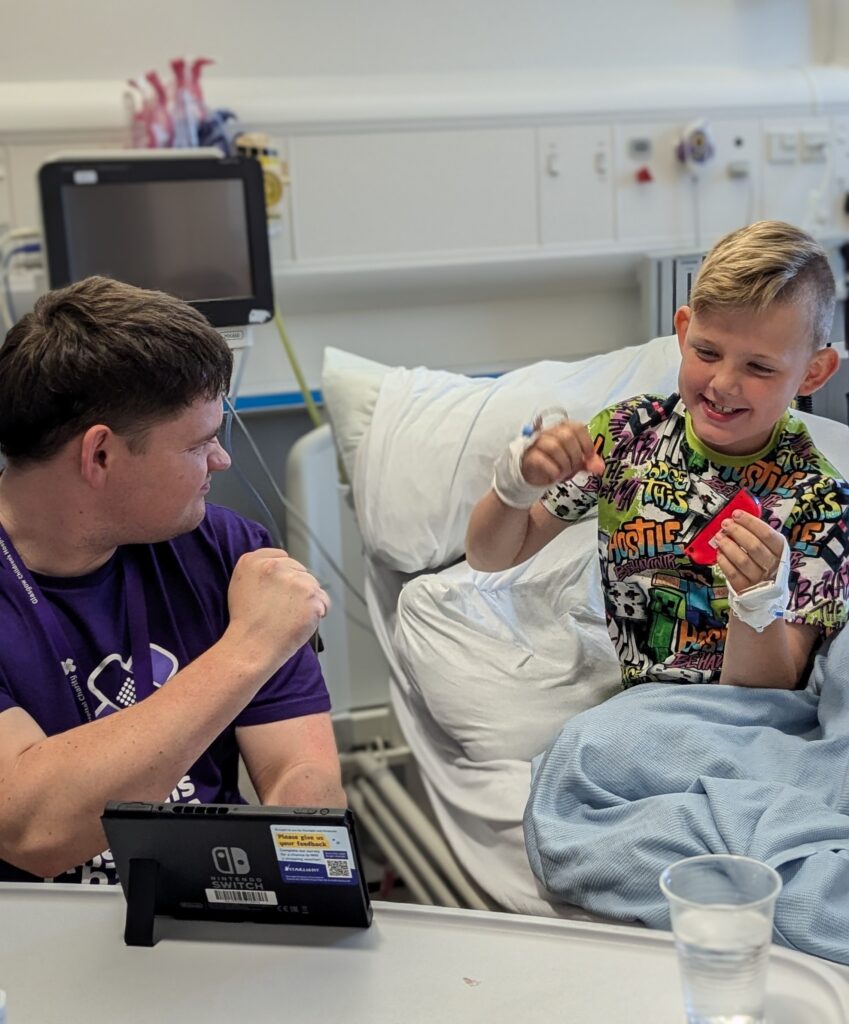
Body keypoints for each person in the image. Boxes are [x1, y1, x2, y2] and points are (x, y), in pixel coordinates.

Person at [0, 275, 344, 884]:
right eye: (200, 443)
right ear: (99, 455)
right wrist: (249, 648)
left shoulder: (229, 552)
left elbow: (301, 773)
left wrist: (297, 900)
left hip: (209, 899)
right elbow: (33, 829)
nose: (221, 460)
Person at [467, 220, 849, 691]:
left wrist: (757, 601)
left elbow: (768, 695)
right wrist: (514, 486)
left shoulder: (818, 501)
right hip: (646, 709)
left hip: (753, 720)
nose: (724, 384)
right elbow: (490, 557)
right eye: (707, 352)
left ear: (813, 374)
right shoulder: (627, 436)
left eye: (759, 367)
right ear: (684, 333)